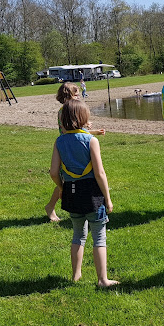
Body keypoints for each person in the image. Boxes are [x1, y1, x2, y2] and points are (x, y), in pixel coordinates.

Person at [49, 99, 119, 287]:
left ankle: (76, 275)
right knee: (99, 237)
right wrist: (108, 198)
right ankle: (102, 280)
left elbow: (54, 172)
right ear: (83, 118)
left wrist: (62, 188)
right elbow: (99, 173)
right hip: (92, 194)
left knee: (78, 235)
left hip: (71, 192)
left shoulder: (59, 141)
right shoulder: (91, 140)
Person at [45, 82, 105, 222]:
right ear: (67, 96)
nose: (78, 97)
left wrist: (93, 131)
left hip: (71, 145)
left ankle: (70, 206)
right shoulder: (64, 111)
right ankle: (51, 206)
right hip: (68, 148)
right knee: (67, 180)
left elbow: (77, 131)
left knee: (70, 180)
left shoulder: (69, 110)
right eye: (76, 95)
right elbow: (71, 132)